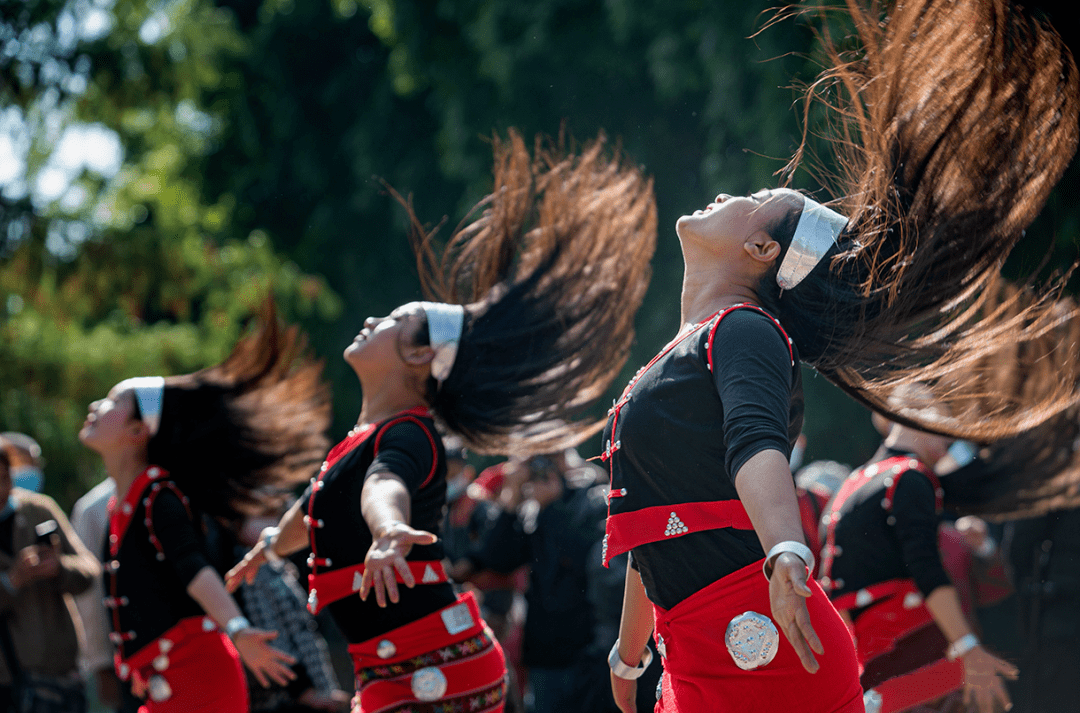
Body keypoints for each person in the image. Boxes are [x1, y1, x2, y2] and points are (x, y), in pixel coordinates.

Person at [603, 1, 1079, 712]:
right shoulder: (675, 356)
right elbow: (653, 516)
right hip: (697, 652)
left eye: (759, 197)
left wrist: (788, 550)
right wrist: (630, 648)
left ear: (762, 252)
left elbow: (757, 446)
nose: (735, 188)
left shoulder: (746, 329)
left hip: (766, 639)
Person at [226, 131, 657, 713]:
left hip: (435, 673)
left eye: (393, 320)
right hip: (409, 670)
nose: (373, 319)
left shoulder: (406, 435)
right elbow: (319, 505)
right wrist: (272, 545)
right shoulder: (363, 441)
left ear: (420, 356)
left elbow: (385, 485)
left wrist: (388, 531)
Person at [78, 301, 332, 712]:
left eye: (111, 401)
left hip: (199, 680)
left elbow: (194, 569)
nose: (96, 407)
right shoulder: (118, 506)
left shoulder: (158, 495)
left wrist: (238, 629)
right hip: (165, 682)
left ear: (138, 430)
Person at [820, 400, 1017, 713]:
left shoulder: (850, 485)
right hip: (914, 667)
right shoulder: (909, 477)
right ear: (919, 415)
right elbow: (926, 569)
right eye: (945, 434)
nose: (947, 448)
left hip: (867, 670)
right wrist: (968, 647)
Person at [0, 437, 100, 712]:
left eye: (5, 476)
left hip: (59, 678)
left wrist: (59, 568)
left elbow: (89, 571)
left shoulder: (39, 509)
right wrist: (12, 580)